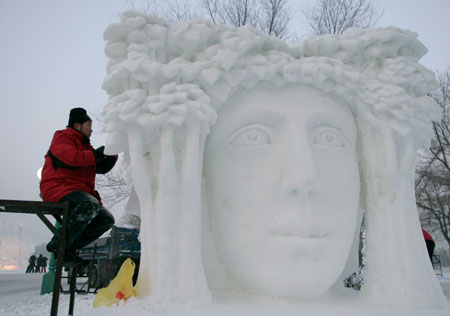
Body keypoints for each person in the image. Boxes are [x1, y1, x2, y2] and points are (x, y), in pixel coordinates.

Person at [40, 107, 117, 263]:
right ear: (77, 125)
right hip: (58, 188)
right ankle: (58, 244)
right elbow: (71, 158)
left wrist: (112, 153)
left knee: (106, 219)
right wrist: (96, 154)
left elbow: (99, 167)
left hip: (78, 192)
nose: (92, 130)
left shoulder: (85, 147)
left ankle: (68, 247)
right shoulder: (62, 137)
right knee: (89, 204)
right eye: (89, 125)